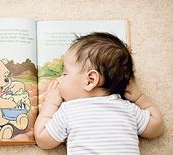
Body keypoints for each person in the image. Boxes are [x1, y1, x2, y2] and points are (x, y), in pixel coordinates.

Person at [34, 32, 163, 155]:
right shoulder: (127, 108)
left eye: (65, 73)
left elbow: (42, 139)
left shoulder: (69, 111)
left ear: (90, 80)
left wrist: (50, 104)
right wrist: (140, 98)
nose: (59, 78)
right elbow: (156, 127)